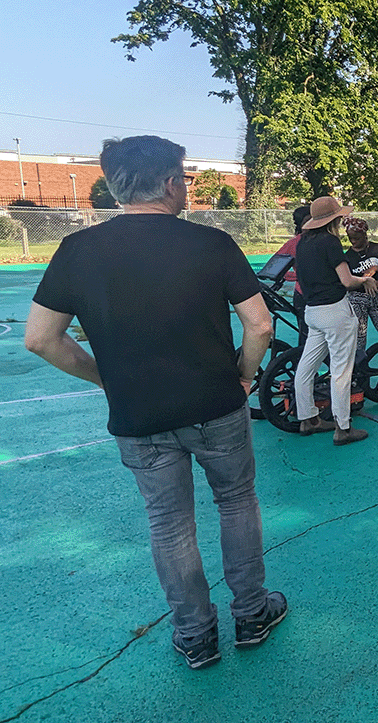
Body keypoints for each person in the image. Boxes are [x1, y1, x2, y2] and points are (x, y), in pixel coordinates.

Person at [25, 135, 286, 670]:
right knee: (236, 503)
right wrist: (244, 374)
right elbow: (260, 322)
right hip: (216, 404)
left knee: (169, 524)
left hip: (139, 417)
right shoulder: (211, 244)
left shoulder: (77, 251)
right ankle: (253, 614)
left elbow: (40, 338)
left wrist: (106, 379)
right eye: (184, 177)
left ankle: (194, 634)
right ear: (171, 183)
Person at [294, 195, 378, 444]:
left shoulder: (302, 243)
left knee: (306, 367)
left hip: (313, 311)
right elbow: (347, 281)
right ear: (334, 219)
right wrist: (366, 280)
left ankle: (307, 418)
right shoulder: (330, 243)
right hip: (335, 311)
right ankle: (343, 427)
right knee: (341, 370)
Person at [343, 216, 378, 358]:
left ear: (364, 234)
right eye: (350, 238)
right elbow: (346, 283)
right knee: (359, 340)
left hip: (377, 298)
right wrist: (365, 281)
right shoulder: (347, 256)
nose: (353, 241)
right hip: (357, 299)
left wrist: (377, 268)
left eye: (356, 237)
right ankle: (360, 376)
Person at [271, 204, 310, 344]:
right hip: (306, 295)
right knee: (306, 335)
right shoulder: (294, 244)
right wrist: (297, 276)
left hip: (305, 294)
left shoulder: (322, 241)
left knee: (307, 335)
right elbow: (274, 267)